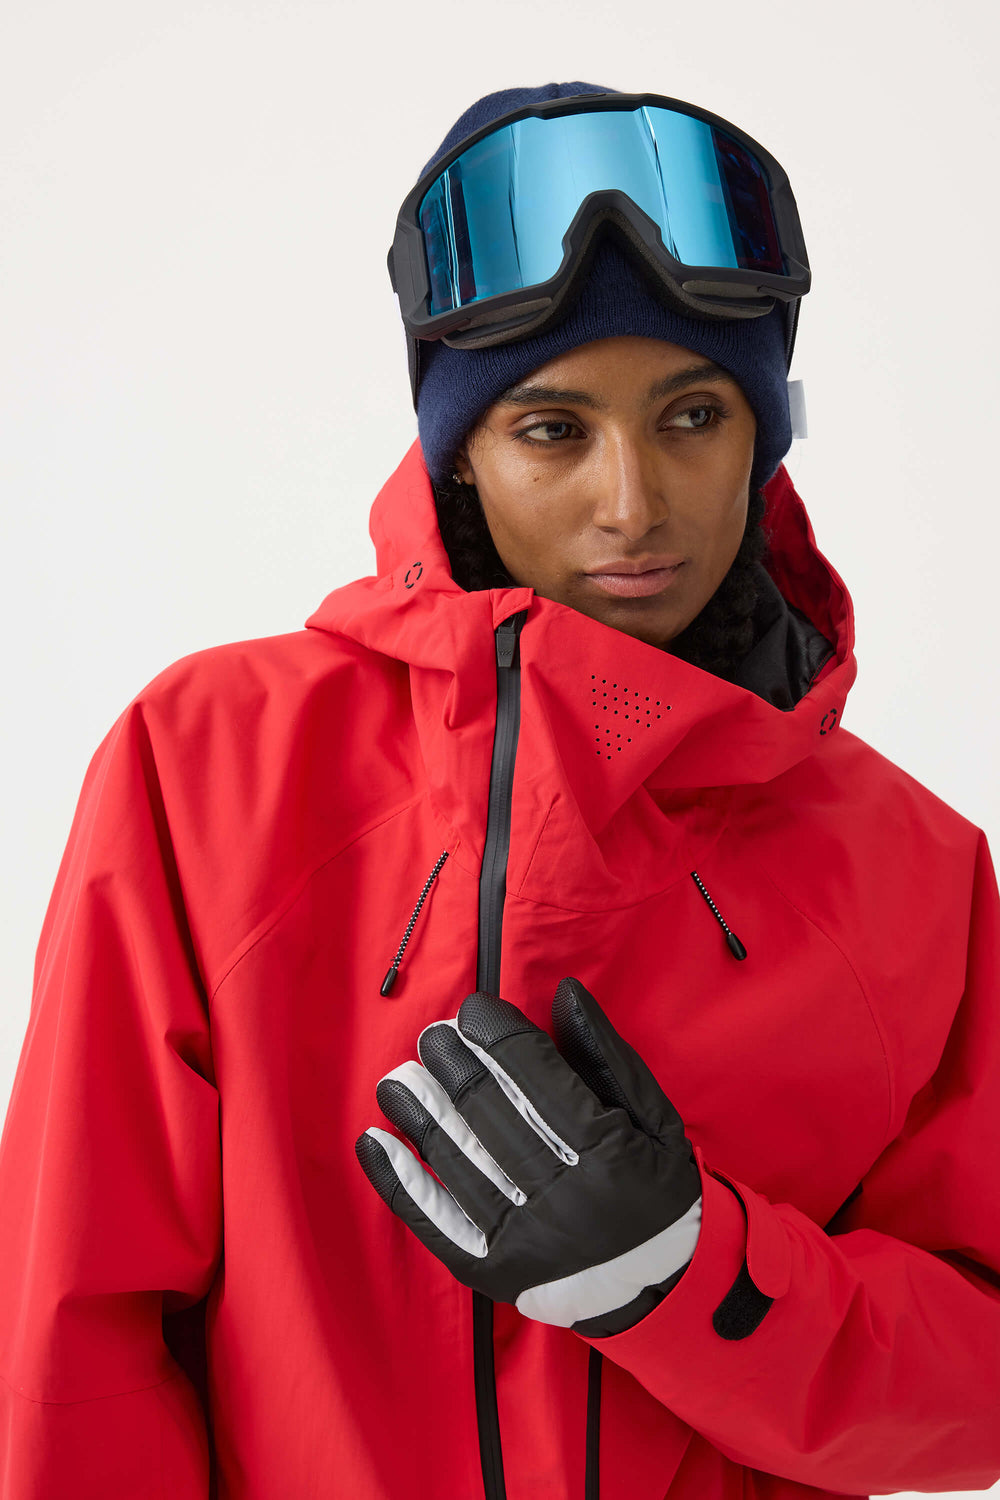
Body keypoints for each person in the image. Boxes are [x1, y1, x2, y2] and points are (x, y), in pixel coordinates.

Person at [0, 79, 998, 1500]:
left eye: (693, 414)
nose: (632, 503)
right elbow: (74, 1331)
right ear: (458, 451)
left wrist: (683, 1275)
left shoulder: (914, 866)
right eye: (551, 429)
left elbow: (978, 1381)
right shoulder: (209, 765)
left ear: (763, 432)